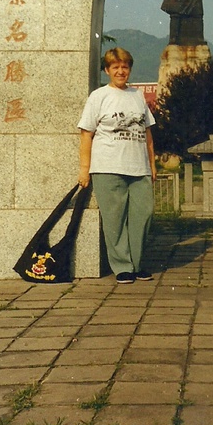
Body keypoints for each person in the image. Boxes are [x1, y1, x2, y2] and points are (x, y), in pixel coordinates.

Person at [77, 47, 156, 285]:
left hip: (138, 166)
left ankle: (137, 263)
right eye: (115, 67)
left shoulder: (137, 95)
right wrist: (84, 168)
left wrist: (152, 165)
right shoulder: (98, 96)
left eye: (125, 67)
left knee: (144, 214)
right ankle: (122, 267)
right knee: (114, 219)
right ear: (107, 70)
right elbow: (86, 134)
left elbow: (148, 134)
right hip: (108, 166)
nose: (121, 71)